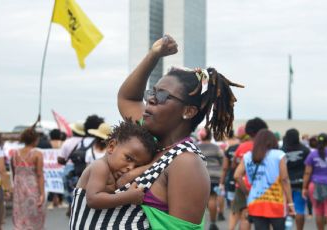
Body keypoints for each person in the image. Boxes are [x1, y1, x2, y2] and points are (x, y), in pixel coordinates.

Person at [72, 34, 240, 229]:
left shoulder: (186, 162)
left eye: (162, 95)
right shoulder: (146, 140)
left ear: (188, 111)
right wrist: (154, 55)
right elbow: (128, 98)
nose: (151, 99)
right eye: (152, 92)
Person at [72, 119, 157, 212]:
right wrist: (128, 197)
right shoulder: (100, 166)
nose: (131, 168)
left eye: (137, 166)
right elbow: (93, 200)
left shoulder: (111, 172)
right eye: (128, 158)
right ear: (112, 147)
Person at [234, 129, 295, 230]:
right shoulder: (278, 155)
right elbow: (284, 179)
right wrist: (290, 203)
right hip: (276, 201)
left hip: (255, 201)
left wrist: (247, 192)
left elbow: (237, 175)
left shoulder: (248, 156)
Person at [57, 115, 104, 216]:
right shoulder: (98, 143)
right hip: (96, 176)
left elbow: (63, 158)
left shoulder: (80, 142)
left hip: (79, 173)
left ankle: (72, 206)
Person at [231, 117, 268, 230]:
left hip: (242, 186)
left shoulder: (242, 146)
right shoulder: (266, 148)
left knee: (245, 216)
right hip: (263, 187)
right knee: (265, 218)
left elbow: (234, 166)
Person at [11, 124, 45, 230]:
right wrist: (42, 193)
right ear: (35, 140)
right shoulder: (37, 154)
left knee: (20, 217)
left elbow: (14, 173)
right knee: (35, 217)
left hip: (19, 188)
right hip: (32, 187)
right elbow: (39, 174)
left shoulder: (15, 154)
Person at [303, 133, 327, 230]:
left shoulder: (312, 154)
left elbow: (307, 172)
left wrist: (304, 187)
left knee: (319, 212)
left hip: (315, 186)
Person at [281, 128, 310, 230]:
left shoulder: (282, 150)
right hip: (300, 183)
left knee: (285, 209)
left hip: (285, 184)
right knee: (300, 209)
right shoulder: (305, 150)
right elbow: (308, 168)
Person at [196, 128, 223, 230]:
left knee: (199, 200)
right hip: (214, 176)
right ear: (210, 136)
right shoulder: (216, 148)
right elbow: (222, 160)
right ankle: (212, 223)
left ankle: (197, 224)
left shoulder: (196, 147)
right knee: (212, 198)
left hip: (200, 176)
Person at [219, 127, 245, 230]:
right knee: (244, 211)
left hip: (231, 179)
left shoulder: (229, 147)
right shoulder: (248, 147)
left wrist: (221, 183)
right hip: (246, 181)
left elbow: (225, 168)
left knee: (234, 209)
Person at [47, 129, 66, 210]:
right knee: (60, 183)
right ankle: (61, 201)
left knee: (51, 183)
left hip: (50, 167)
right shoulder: (62, 143)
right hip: (60, 166)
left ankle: (51, 202)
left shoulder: (48, 143)